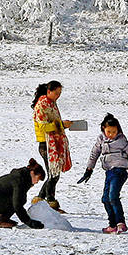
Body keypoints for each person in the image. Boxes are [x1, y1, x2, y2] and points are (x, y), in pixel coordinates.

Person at [75, 113, 128, 234]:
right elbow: (94, 154)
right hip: (109, 172)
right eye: (109, 131)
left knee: (113, 196)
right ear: (103, 129)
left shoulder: (121, 140)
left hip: (119, 171)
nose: (111, 134)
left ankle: (120, 222)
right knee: (105, 199)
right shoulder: (101, 140)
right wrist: (89, 170)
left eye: (114, 131)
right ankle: (112, 224)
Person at [31, 81, 73, 211]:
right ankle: (50, 201)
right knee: (53, 174)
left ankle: (41, 199)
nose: (58, 96)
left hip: (52, 143)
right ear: (49, 91)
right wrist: (61, 125)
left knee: (53, 174)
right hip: (46, 144)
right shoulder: (42, 106)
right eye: (56, 93)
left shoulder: (51, 104)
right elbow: (44, 127)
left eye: (59, 93)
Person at [0, 160, 47, 229]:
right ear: (32, 173)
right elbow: (17, 205)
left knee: (20, 198)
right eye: (38, 178)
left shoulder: (19, 177)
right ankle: (2, 221)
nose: (37, 182)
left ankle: (4, 220)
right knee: (19, 200)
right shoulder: (19, 181)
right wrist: (29, 222)